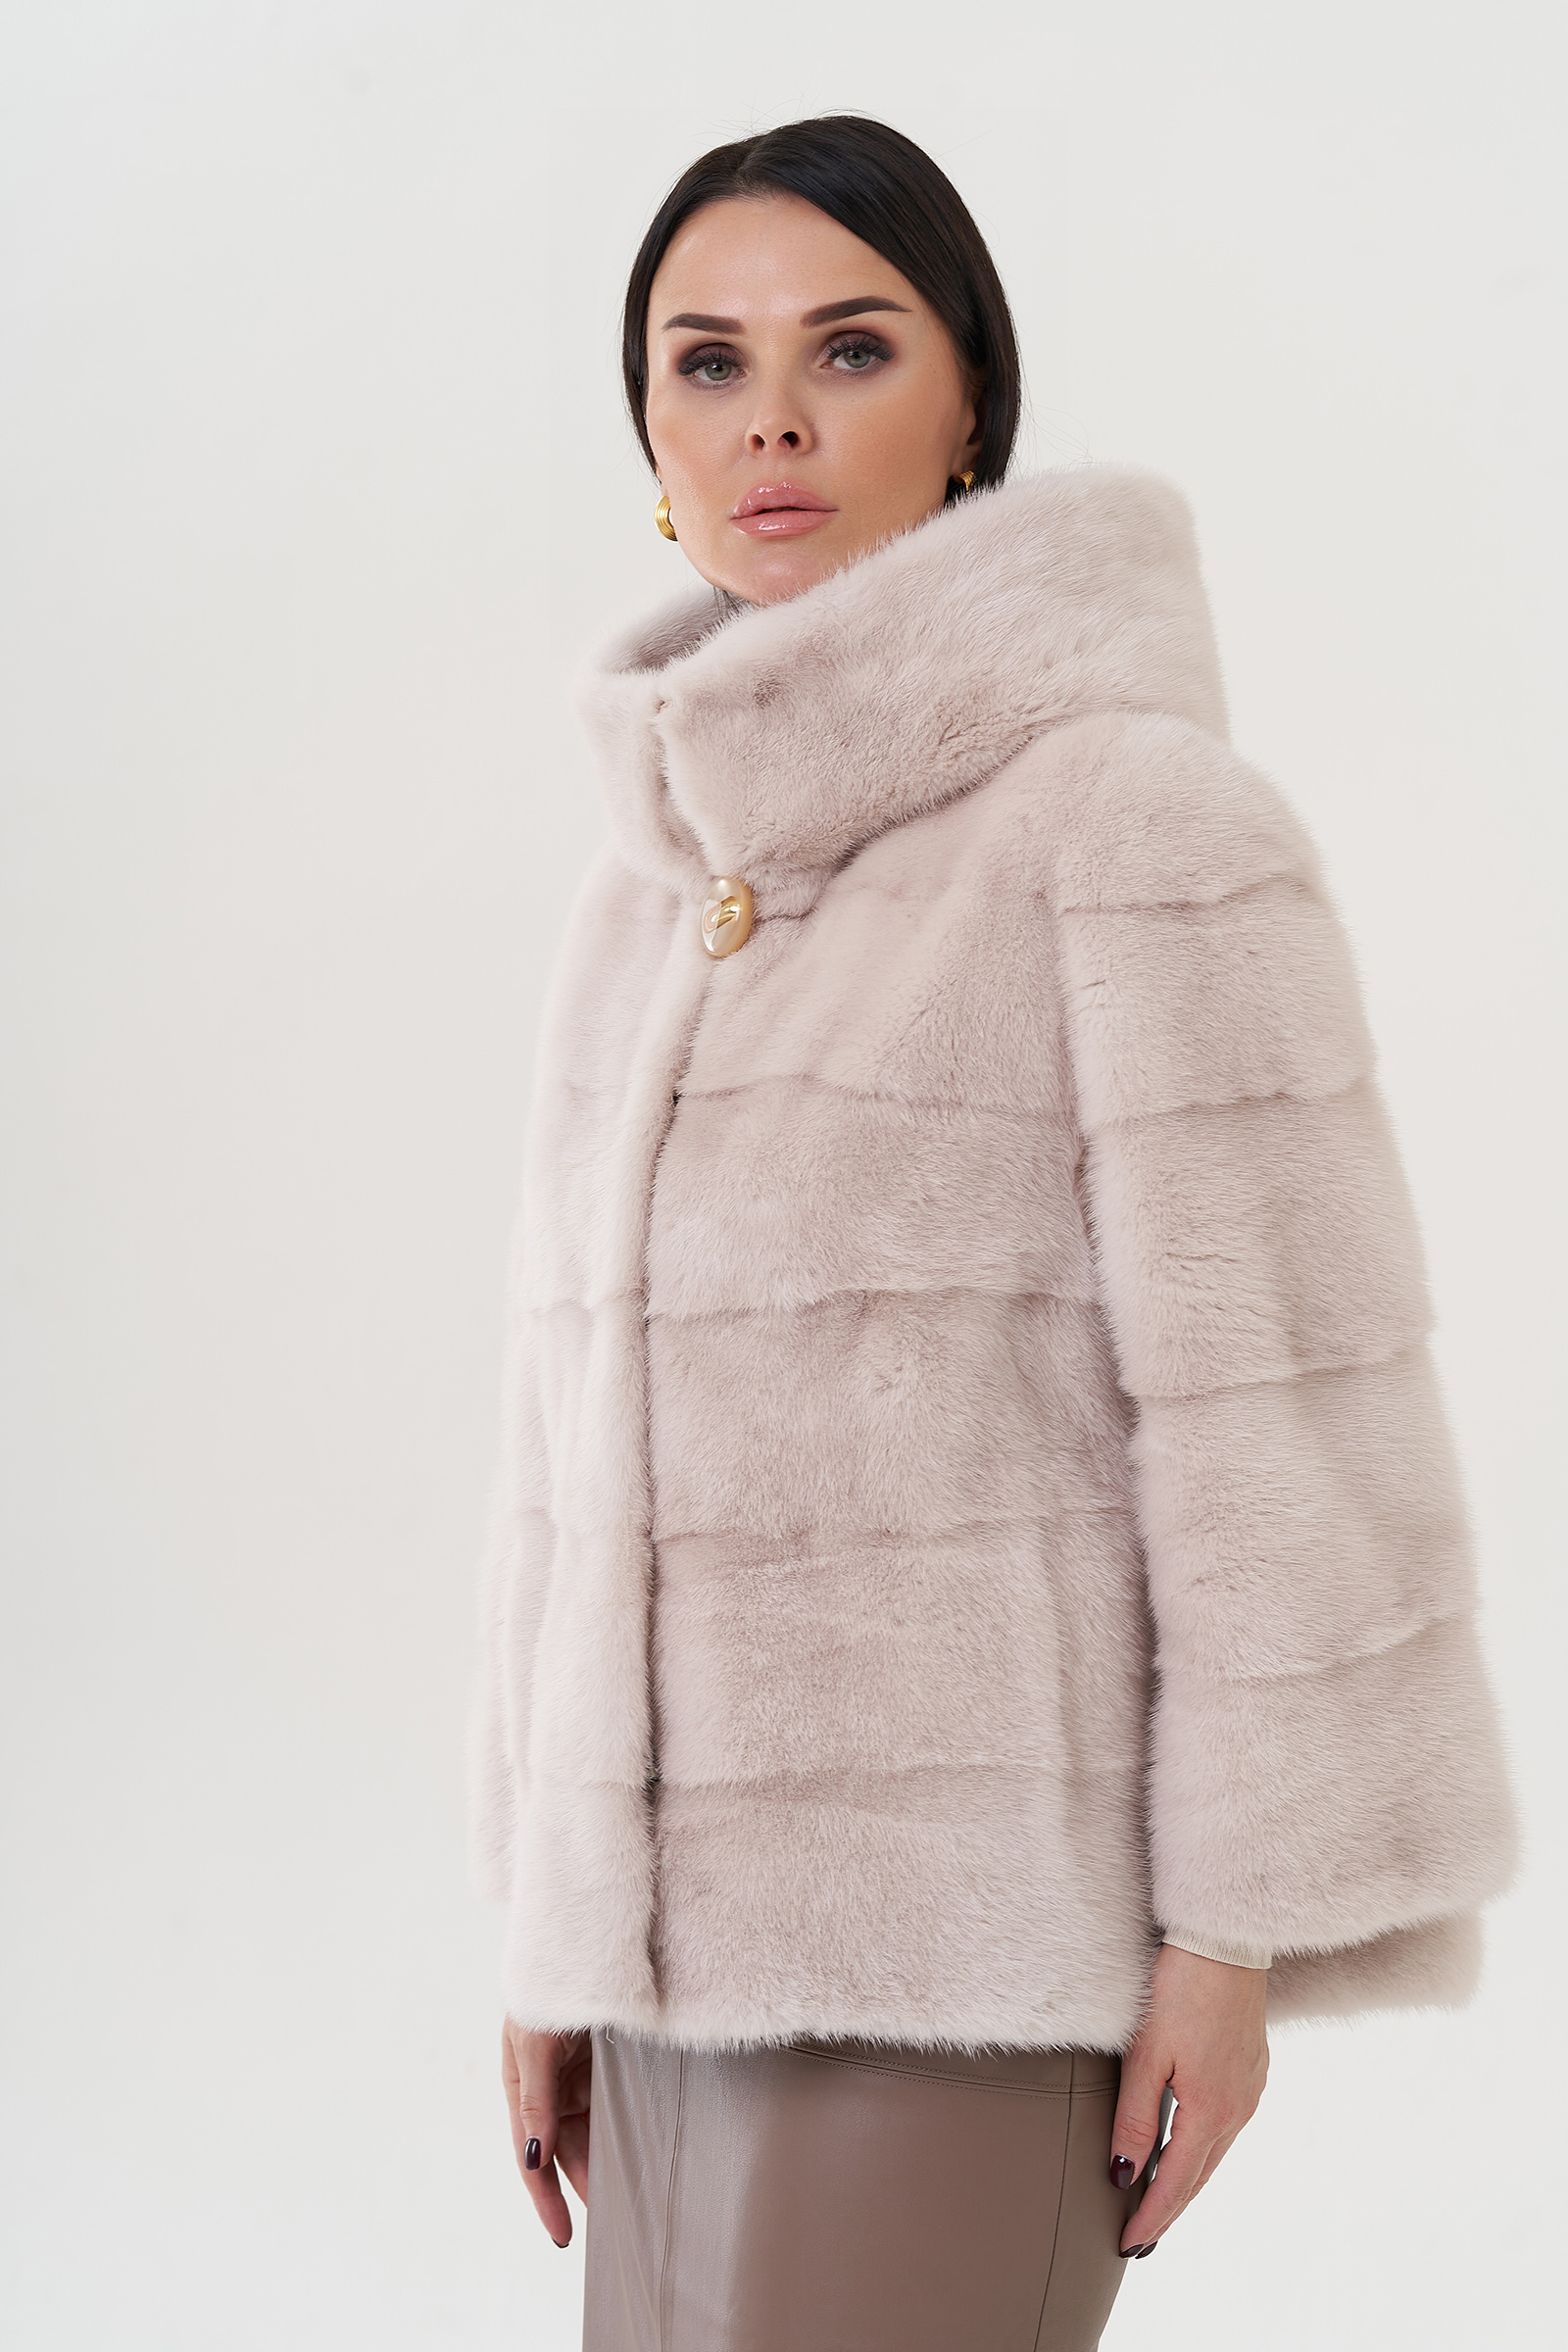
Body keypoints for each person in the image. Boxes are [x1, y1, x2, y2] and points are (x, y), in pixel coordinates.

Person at [468, 115, 1515, 2351]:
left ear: (970, 412)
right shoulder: (647, 897)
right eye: (705, 362)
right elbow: (564, 1461)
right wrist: (556, 1927)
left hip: (966, 1971)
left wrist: (1225, 1941)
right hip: (656, 1989)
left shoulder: (1129, 827)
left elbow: (1275, 1425)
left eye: (848, 350)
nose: (768, 417)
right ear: (648, 439)